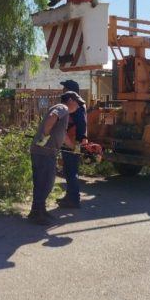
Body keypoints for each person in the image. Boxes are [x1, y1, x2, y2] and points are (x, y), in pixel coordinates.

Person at [28, 91, 85, 225]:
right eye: (77, 103)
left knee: (44, 182)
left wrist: (73, 148)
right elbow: (51, 118)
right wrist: (45, 135)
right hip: (44, 152)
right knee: (45, 182)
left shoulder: (64, 114)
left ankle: (39, 210)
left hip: (46, 153)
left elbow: (63, 135)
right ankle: (36, 213)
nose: (78, 106)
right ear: (70, 100)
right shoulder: (62, 108)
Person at [57, 80, 88, 209]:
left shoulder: (77, 106)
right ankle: (70, 196)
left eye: (64, 88)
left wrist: (79, 141)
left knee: (71, 170)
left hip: (72, 142)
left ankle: (74, 200)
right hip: (70, 141)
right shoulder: (76, 104)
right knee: (68, 170)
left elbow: (81, 124)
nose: (63, 90)